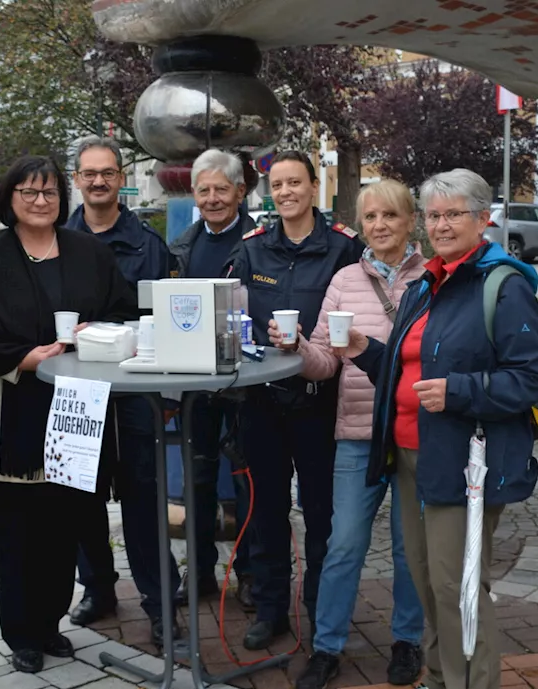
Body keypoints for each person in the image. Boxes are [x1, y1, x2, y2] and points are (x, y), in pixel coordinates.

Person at [341, 169, 538, 689]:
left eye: (453, 214)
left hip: (469, 462)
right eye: (433, 215)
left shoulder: (502, 286)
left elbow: (530, 378)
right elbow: (408, 370)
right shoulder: (425, 285)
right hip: (413, 457)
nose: (441, 225)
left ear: (484, 219)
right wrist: (365, 350)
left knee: (459, 587)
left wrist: (461, 391)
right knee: (428, 581)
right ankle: (438, 681)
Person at [0, 155, 139, 673]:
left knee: (65, 525)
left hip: (75, 408)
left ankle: (50, 623)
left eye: (48, 193)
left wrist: (97, 334)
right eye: (28, 192)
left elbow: (123, 310)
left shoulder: (88, 251)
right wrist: (24, 357)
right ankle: (21, 633)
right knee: (17, 530)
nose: (40, 201)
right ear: (10, 199)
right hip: (13, 404)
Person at [270, 179, 426, 689]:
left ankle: (406, 640)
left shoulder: (434, 277)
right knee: (343, 545)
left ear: (410, 221)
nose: (380, 226)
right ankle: (328, 646)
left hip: (414, 433)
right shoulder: (343, 280)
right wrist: (295, 347)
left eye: (390, 216)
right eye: (370, 218)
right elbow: (321, 363)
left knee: (410, 548)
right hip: (357, 432)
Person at [227, 150, 364, 650]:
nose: (285, 192)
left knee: (323, 513)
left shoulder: (344, 248)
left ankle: (319, 609)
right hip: (261, 402)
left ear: (313, 187)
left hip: (320, 401)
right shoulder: (253, 248)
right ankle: (270, 610)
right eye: (277, 184)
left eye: (294, 183)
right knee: (266, 511)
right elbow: (233, 315)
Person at [64, 135, 182, 648]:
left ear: (121, 179)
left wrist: (170, 397)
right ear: (77, 180)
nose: (97, 181)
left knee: (144, 498)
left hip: (137, 392)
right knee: (81, 495)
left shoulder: (148, 245)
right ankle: (98, 588)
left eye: (106, 173)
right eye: (88, 173)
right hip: (77, 390)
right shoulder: (54, 241)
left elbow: (167, 326)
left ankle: (160, 603)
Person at [168, 148, 259, 609]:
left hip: (246, 380)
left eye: (221, 189)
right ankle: (200, 571)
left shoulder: (259, 241)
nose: (212, 198)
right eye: (203, 190)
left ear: (240, 192)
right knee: (197, 477)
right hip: (195, 379)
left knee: (246, 477)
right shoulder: (182, 245)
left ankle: (248, 573)